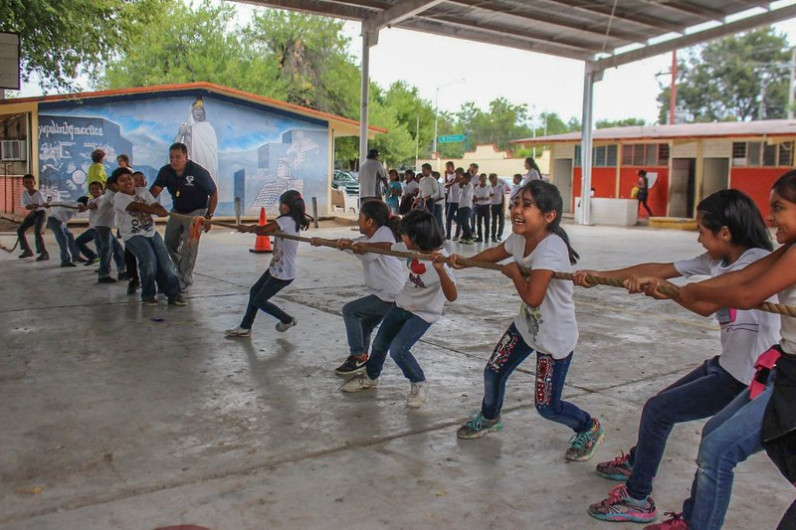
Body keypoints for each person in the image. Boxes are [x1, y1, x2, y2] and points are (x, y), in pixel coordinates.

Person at [576, 190, 779, 524]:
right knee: (661, 406)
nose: (699, 239)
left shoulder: (754, 262)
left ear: (725, 233)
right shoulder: (720, 259)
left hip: (744, 377)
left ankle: (637, 498)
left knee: (658, 411)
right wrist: (600, 276)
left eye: (702, 230)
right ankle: (639, 461)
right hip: (726, 363)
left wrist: (663, 290)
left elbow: (705, 305)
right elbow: (661, 268)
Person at [637, 170, 796, 530]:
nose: (769, 217)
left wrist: (691, 292)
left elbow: (747, 295)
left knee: (717, 450)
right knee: (713, 437)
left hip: (787, 378)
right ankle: (695, 520)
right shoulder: (787, 251)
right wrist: (689, 290)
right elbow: (742, 278)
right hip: (783, 368)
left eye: (779, 208)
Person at [452, 180, 605, 463]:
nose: (516, 209)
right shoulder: (520, 237)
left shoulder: (551, 247)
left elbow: (534, 297)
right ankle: (489, 417)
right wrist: (467, 261)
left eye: (526, 205)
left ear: (549, 216)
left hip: (553, 337)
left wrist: (514, 275)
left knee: (547, 406)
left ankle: (588, 427)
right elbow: (496, 253)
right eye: (515, 203)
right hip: (526, 327)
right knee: (493, 372)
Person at [341, 208, 457, 409]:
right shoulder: (413, 247)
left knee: (398, 349)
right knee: (379, 344)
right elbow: (388, 247)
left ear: (416, 236)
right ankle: (370, 377)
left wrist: (440, 271)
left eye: (404, 234)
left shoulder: (441, 260)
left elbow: (452, 295)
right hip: (402, 304)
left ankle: (419, 383)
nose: (401, 237)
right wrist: (364, 246)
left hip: (423, 313)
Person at [312, 201, 405, 376]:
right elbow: (355, 244)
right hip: (386, 293)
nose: (357, 220)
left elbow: (368, 253)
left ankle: (357, 356)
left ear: (370, 221)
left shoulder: (383, 234)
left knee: (350, 311)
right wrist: (323, 241)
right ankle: (360, 358)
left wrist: (349, 246)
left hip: (389, 295)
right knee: (364, 324)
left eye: (360, 217)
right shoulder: (373, 235)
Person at [225, 190, 310, 337]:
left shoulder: (286, 221)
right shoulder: (289, 221)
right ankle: (245, 327)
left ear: (289, 207)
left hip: (283, 272)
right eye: (280, 204)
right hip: (276, 268)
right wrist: (252, 229)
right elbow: (266, 231)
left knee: (259, 300)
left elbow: (263, 230)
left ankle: (287, 319)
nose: (280, 207)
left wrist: (249, 228)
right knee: (254, 291)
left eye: (283, 204)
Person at [150, 142, 218, 292]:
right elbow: (155, 189)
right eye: (172, 157)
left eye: (178, 157)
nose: (174, 161)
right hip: (177, 210)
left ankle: (184, 279)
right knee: (169, 242)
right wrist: (145, 205)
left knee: (189, 246)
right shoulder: (166, 171)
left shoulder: (198, 172)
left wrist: (209, 216)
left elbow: (213, 193)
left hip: (197, 212)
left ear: (186, 157)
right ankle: (179, 269)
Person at [114, 172, 185, 306]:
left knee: (166, 263)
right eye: (122, 181)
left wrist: (160, 208)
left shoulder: (143, 191)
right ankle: (148, 294)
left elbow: (154, 204)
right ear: (116, 185)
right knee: (149, 260)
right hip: (133, 235)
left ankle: (174, 294)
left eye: (128, 178)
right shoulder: (119, 197)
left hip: (150, 232)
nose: (127, 182)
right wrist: (155, 211)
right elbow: (134, 206)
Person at [175, 96, 218, 183]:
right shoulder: (186, 126)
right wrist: (180, 134)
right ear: (192, 111)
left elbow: (211, 150)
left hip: (203, 163)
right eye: (196, 109)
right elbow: (176, 145)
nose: (199, 112)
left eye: (201, 109)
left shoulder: (207, 127)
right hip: (189, 163)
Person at [46, 197, 89, 267]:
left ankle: (76, 256)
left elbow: (59, 203)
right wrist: (49, 204)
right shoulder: (77, 204)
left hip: (61, 222)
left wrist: (49, 203)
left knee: (70, 236)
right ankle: (65, 261)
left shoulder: (72, 202)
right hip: (55, 221)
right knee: (63, 239)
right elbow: (77, 207)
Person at [16, 174, 49, 261]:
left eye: (30, 182)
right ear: (23, 184)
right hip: (33, 213)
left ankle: (44, 253)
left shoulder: (38, 193)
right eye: (26, 182)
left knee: (37, 232)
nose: (28, 184)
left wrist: (44, 205)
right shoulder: (24, 194)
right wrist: (32, 206)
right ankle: (27, 250)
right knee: (20, 229)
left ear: (34, 183)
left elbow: (44, 204)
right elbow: (26, 207)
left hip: (41, 213)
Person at [473, 173, 493, 243]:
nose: (484, 180)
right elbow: (475, 198)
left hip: (486, 206)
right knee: (478, 223)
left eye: (485, 178)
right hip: (479, 206)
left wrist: (489, 198)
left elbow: (492, 194)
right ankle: (480, 237)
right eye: (482, 178)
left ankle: (486, 237)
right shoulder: (476, 188)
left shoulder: (488, 187)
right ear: (480, 179)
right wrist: (481, 198)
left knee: (487, 223)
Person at [456, 172, 475, 245]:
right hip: (461, 205)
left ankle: (470, 237)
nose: (462, 180)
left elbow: (466, 194)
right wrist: (461, 187)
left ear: (467, 179)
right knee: (462, 222)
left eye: (463, 178)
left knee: (465, 222)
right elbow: (459, 194)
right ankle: (465, 237)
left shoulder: (469, 185)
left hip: (467, 206)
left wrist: (461, 187)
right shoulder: (464, 185)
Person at [489, 173, 508, 242]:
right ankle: (493, 236)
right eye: (495, 178)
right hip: (493, 205)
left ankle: (499, 235)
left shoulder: (500, 186)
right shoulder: (489, 187)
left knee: (501, 221)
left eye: (497, 178)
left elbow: (503, 197)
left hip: (500, 205)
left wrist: (503, 206)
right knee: (494, 222)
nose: (496, 179)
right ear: (491, 180)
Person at [445, 164, 461, 240]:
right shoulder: (453, 178)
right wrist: (454, 182)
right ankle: (448, 234)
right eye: (456, 173)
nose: (457, 175)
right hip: (452, 201)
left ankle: (457, 235)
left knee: (459, 218)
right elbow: (446, 185)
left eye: (459, 173)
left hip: (460, 202)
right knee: (448, 218)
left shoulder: (464, 180)